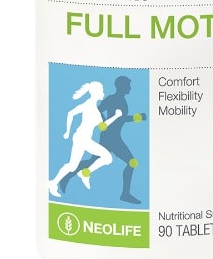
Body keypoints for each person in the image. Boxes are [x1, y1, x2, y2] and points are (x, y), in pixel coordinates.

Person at [59, 76, 147, 204]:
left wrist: (136, 117)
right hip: (109, 137)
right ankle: (125, 194)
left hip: (114, 137)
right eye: (128, 85)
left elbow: (121, 118)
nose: (130, 87)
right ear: (121, 86)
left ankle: (67, 177)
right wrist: (104, 122)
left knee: (94, 161)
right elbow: (98, 110)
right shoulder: (111, 99)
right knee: (131, 162)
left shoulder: (122, 100)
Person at [48, 81, 122, 198]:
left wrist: (68, 132)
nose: (103, 93)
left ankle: (79, 175)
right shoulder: (90, 106)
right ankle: (58, 182)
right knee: (105, 158)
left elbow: (101, 126)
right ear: (96, 93)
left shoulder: (92, 107)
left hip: (83, 139)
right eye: (102, 91)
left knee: (76, 165)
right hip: (81, 139)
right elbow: (71, 114)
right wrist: (116, 116)